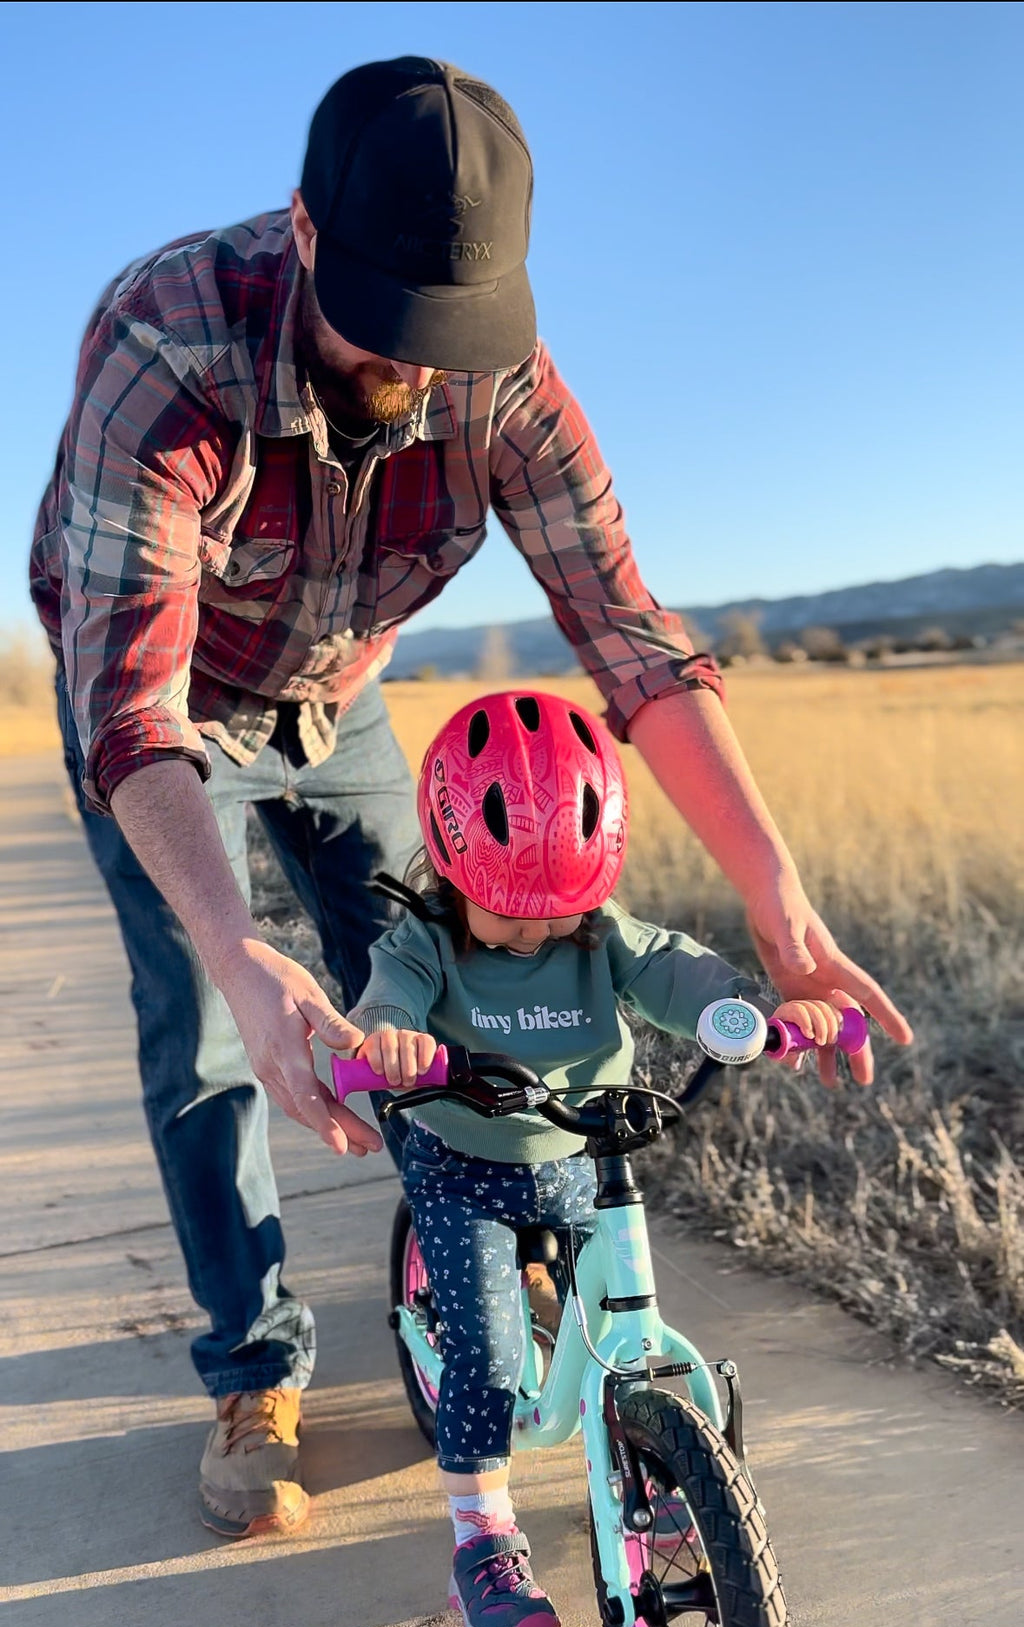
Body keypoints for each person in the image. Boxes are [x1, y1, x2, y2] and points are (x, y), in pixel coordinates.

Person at [30, 55, 911, 1541]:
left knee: (439, 975)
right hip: (168, 714)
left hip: (342, 693)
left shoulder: (500, 375)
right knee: (209, 1030)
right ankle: (255, 1370)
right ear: (308, 233)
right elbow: (130, 709)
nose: (427, 371)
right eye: (397, 331)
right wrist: (249, 960)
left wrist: (777, 893)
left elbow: (630, 634)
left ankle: (488, 1250)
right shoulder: (165, 342)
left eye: (459, 334)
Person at [347, 690, 846, 1627]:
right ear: (452, 862)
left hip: (582, 1153)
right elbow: (388, 999)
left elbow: (674, 968)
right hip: (464, 1165)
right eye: (511, 910)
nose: (537, 931)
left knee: (625, 1315)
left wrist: (755, 1016)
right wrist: (391, 1036)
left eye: (560, 907)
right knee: (488, 1355)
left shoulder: (595, 933)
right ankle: (482, 1539)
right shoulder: (425, 942)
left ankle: (663, 1459)